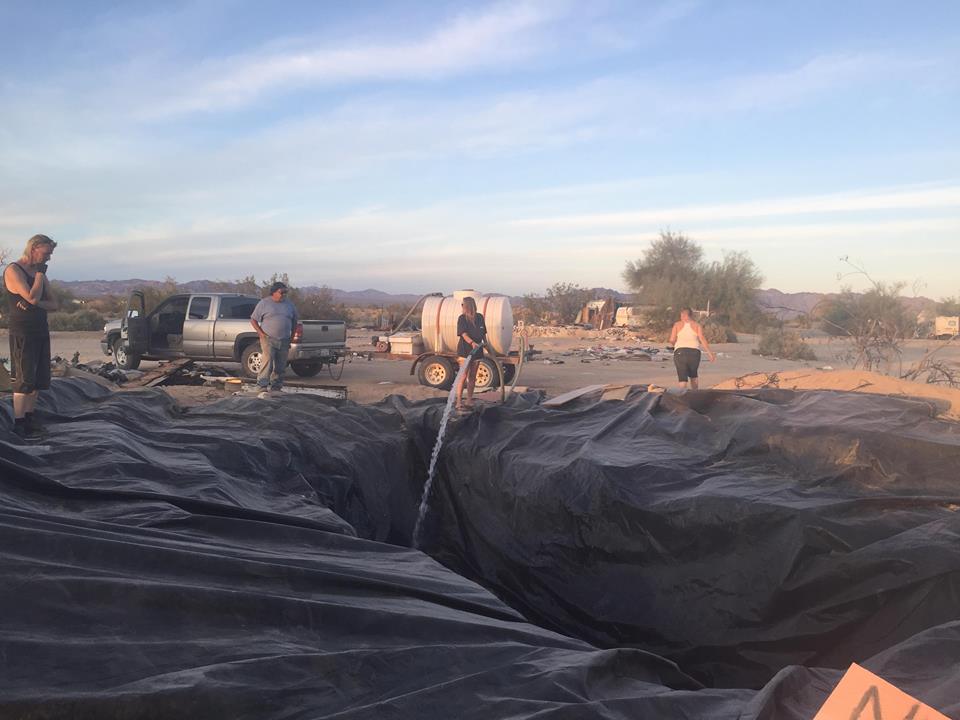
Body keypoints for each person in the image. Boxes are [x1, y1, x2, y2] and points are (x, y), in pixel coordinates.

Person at [4, 234, 58, 438]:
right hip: (23, 332)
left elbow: (53, 304)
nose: (48, 258)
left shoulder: (39, 273)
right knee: (24, 379)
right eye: (46, 253)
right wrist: (39, 277)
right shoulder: (14, 270)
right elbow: (32, 296)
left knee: (37, 379)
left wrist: (35, 303)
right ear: (34, 248)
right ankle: (19, 424)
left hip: (40, 329)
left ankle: (29, 419)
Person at [250, 281, 298, 395]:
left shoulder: (289, 305)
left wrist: (291, 337)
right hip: (268, 339)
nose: (284, 295)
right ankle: (262, 385)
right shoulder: (264, 303)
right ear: (274, 292)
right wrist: (261, 334)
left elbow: (294, 322)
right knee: (267, 362)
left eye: (285, 292)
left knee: (281, 365)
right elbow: (253, 319)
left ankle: (276, 387)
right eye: (281, 292)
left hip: (284, 339)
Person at [669, 307, 716, 390]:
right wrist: (710, 353)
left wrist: (675, 344)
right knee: (694, 375)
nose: (680, 317)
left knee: (682, 378)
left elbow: (672, 339)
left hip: (680, 352)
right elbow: (702, 339)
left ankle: (682, 395)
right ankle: (695, 394)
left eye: (681, 315)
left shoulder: (677, 325)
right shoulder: (697, 325)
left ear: (684, 315)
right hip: (694, 352)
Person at [455, 296, 486, 410]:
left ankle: (469, 400)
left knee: (472, 376)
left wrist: (486, 344)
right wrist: (472, 343)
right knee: (463, 376)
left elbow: (483, 333)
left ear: (468, 306)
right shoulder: (462, 318)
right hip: (465, 351)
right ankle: (459, 401)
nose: (462, 307)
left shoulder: (480, 317)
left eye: (463, 305)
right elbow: (463, 334)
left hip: (477, 351)